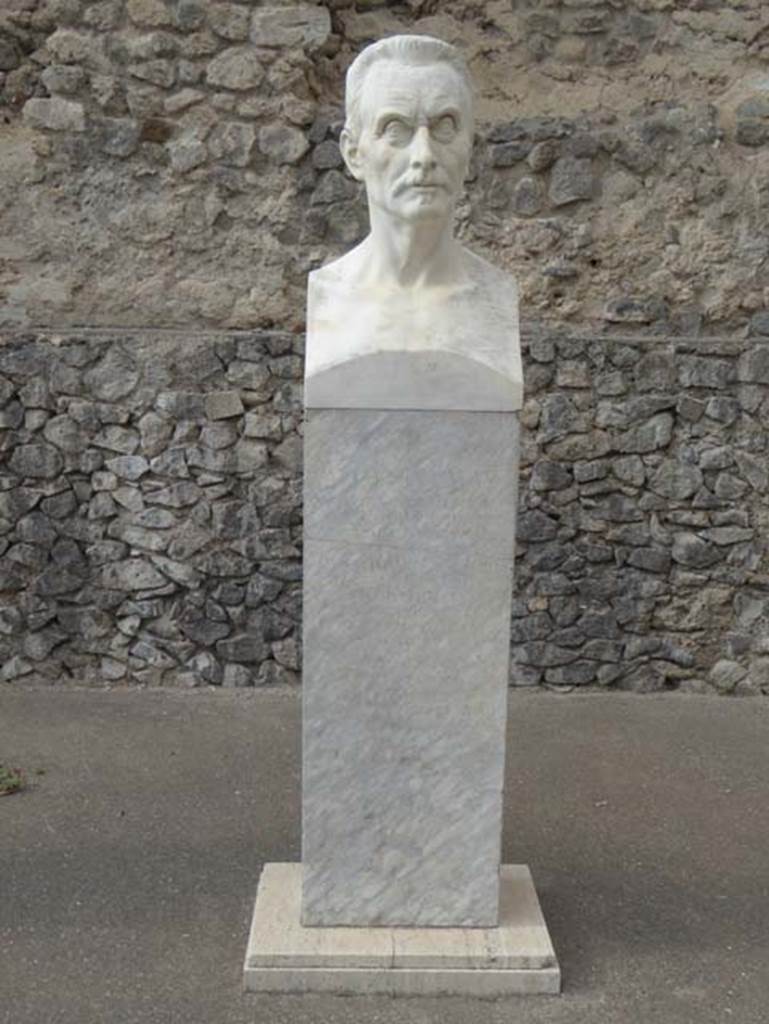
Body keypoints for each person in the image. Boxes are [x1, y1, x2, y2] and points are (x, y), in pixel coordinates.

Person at [305, 34, 522, 411]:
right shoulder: (330, 296)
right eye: (395, 129)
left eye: (445, 127)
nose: (424, 155)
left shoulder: (496, 297)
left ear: (469, 150)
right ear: (354, 154)